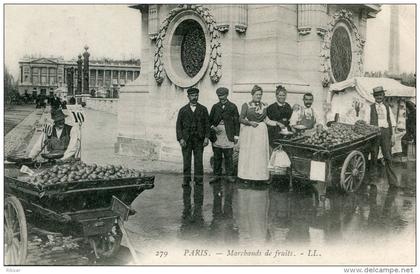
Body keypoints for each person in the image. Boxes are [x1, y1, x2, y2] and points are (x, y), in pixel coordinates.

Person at [176, 87, 210, 221]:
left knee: (198, 162)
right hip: (186, 140)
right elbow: (178, 126)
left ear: (198, 96)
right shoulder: (183, 110)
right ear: (188, 97)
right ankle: (186, 180)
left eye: (196, 95)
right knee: (186, 161)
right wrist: (181, 139)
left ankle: (198, 181)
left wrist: (207, 137)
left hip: (199, 140)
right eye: (192, 95)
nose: (194, 97)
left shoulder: (203, 109)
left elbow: (207, 124)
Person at [237, 85, 283, 182]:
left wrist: (277, 123)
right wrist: (250, 123)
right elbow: (240, 119)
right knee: (250, 154)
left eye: (260, 95)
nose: (259, 96)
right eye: (257, 94)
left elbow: (266, 120)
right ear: (252, 94)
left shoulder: (264, 105)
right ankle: (247, 177)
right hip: (250, 133)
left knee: (260, 154)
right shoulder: (246, 105)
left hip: (261, 133)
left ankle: (260, 177)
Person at [369, 86, 399, 188]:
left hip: (386, 133)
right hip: (374, 134)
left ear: (383, 95)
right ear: (374, 97)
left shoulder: (387, 107)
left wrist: (393, 136)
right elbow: (366, 122)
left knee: (388, 157)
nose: (379, 97)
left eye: (380, 95)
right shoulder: (370, 107)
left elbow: (393, 122)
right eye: (377, 95)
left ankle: (393, 182)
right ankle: (373, 180)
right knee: (374, 156)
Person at [209, 87, 240, 183]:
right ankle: (216, 175)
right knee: (217, 156)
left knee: (228, 157)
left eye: (223, 95)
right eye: (219, 96)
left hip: (228, 135)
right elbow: (209, 121)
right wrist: (214, 128)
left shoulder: (232, 106)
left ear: (227, 95)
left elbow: (236, 122)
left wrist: (236, 136)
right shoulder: (215, 107)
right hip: (217, 136)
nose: (221, 97)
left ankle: (229, 175)